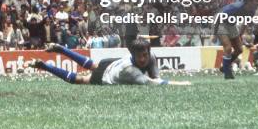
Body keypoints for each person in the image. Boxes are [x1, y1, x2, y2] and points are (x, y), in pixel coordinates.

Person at [28, 39, 190, 86]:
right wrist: (181, 83)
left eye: (145, 55)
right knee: (81, 79)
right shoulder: (131, 71)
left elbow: (156, 75)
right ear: (132, 55)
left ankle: (62, 49)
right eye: (139, 56)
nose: (143, 59)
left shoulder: (151, 56)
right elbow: (154, 83)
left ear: (148, 52)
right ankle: (45, 66)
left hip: (110, 63)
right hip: (108, 74)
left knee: (91, 64)